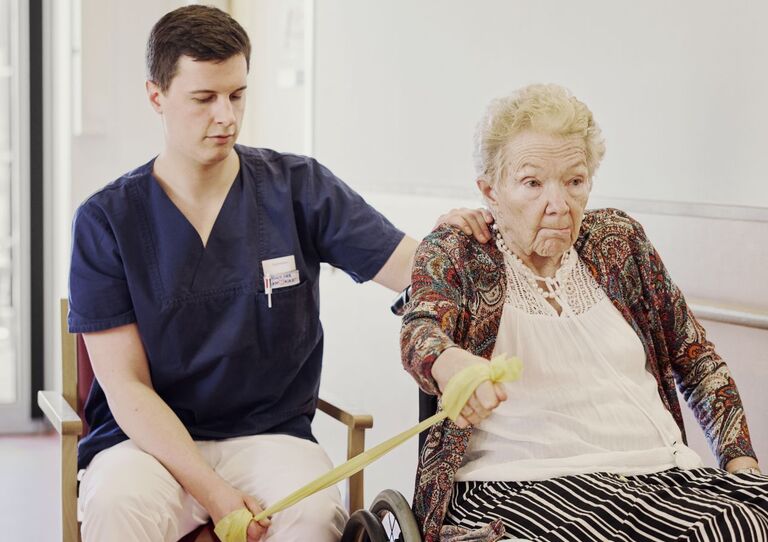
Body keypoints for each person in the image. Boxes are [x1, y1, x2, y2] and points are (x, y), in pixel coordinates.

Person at [68, 5, 492, 542]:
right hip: (147, 446)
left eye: (237, 95)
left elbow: (414, 269)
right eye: (204, 98)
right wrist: (214, 495)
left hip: (270, 438)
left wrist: (447, 246)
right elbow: (126, 388)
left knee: (314, 516)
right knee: (116, 505)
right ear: (157, 96)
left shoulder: (298, 188)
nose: (226, 116)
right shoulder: (106, 220)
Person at [401, 83, 767, 542]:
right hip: (518, 486)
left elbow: (697, 358)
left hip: (660, 476)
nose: (559, 204)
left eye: (574, 181)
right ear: (490, 190)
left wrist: (741, 463)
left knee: (744, 518)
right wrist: (452, 365)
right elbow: (421, 331)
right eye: (532, 183)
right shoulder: (459, 250)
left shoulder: (619, 242)